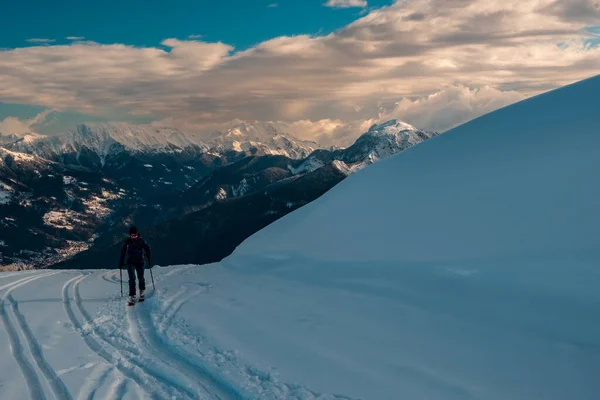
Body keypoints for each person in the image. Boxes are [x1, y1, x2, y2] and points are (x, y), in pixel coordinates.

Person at [118, 226, 151, 304]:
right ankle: (132, 295)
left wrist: (148, 258)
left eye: (135, 235)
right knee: (132, 279)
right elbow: (123, 252)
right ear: (129, 235)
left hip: (141, 262)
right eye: (132, 235)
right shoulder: (127, 242)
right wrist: (121, 262)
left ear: (137, 234)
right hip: (131, 262)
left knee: (140, 277)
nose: (133, 237)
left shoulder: (141, 241)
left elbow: (147, 249)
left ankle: (142, 291)